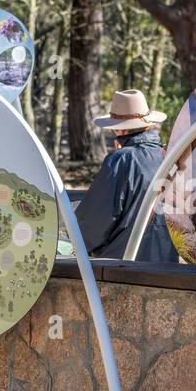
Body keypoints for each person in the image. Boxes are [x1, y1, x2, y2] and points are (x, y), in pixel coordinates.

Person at [74, 89, 179, 262]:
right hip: (167, 260)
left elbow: (96, 221)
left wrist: (76, 241)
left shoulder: (121, 159)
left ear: (118, 129)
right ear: (147, 125)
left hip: (124, 264)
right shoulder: (168, 156)